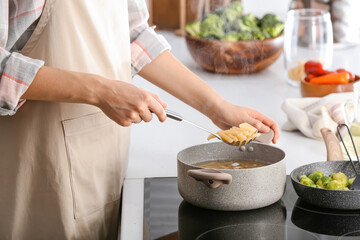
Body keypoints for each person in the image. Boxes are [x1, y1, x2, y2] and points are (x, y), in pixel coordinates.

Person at [0, 0, 279, 239]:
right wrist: (100, 91)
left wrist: (217, 107)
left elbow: (133, 36)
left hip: (102, 155)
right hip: (38, 162)